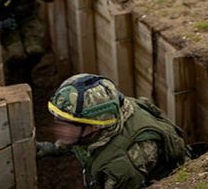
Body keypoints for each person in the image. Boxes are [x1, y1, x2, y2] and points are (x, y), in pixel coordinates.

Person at [37, 74, 189, 189]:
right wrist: (52, 148)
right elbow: (76, 137)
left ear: (96, 125)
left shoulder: (121, 166)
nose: (60, 129)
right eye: (58, 119)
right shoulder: (109, 111)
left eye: (68, 124)